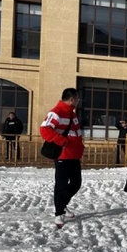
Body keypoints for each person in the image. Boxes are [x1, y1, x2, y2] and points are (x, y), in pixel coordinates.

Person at [40, 88, 84, 229]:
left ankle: (62, 204)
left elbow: (76, 134)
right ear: (72, 99)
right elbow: (44, 129)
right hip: (63, 155)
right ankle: (59, 212)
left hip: (74, 155)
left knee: (76, 183)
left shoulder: (72, 113)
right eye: (77, 98)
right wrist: (62, 141)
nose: (78, 101)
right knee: (61, 184)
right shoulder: (56, 112)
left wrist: (80, 147)